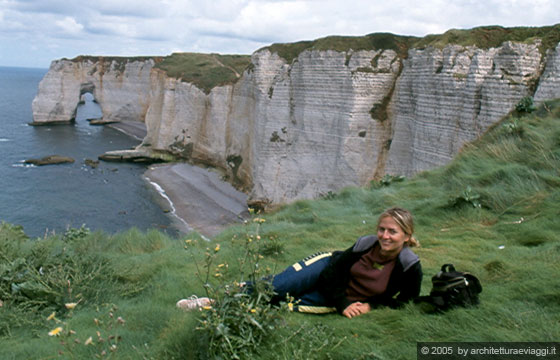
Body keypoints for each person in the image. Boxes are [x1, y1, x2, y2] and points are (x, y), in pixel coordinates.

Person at [177, 207, 422, 318]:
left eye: (393, 232)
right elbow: (331, 275)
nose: (385, 236)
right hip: (325, 270)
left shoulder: (409, 266)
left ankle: (223, 307)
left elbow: (405, 302)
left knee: (283, 304)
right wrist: (343, 303)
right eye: (382, 229)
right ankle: (214, 299)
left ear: (407, 236)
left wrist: (371, 307)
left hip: (338, 294)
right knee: (279, 287)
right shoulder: (365, 245)